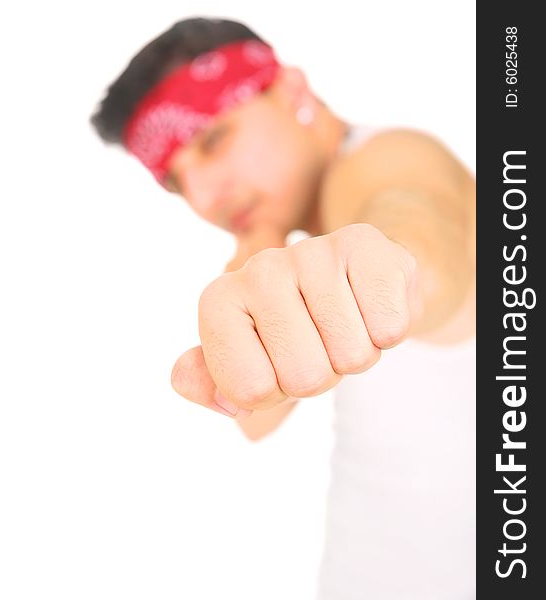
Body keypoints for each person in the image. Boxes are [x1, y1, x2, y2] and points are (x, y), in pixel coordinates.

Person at [91, 17, 476, 599]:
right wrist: (262, 243)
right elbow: (258, 415)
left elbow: (421, 229)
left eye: (214, 140)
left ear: (292, 91)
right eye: (177, 181)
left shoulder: (385, 158)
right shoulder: (298, 238)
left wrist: (397, 268)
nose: (204, 196)